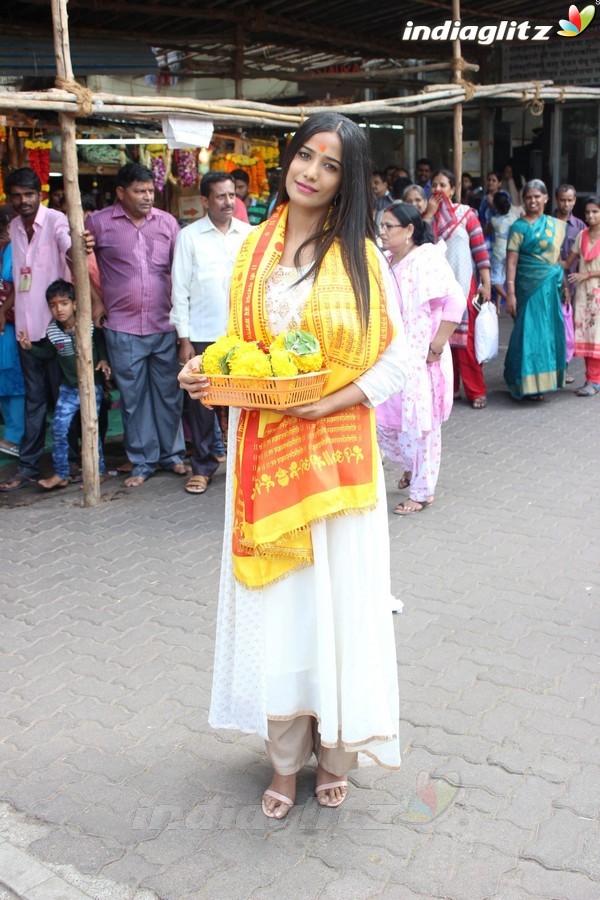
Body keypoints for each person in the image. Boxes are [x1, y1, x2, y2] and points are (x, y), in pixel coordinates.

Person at [179, 111, 408, 820]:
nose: (309, 171)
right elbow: (238, 348)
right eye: (304, 155)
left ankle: (335, 752)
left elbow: (396, 358)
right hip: (263, 447)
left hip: (336, 458)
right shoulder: (253, 247)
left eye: (330, 164)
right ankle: (284, 760)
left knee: (337, 602)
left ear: (349, 180)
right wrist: (204, 372)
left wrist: (327, 402)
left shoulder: (362, 257)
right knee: (282, 608)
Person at [86, 162, 188, 487]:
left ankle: (172, 456)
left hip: (164, 323)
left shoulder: (168, 223)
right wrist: (96, 300)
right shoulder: (99, 223)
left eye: (149, 190)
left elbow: (181, 270)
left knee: (169, 393)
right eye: (139, 190)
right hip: (123, 326)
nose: (147, 196)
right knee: (133, 398)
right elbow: (74, 260)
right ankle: (142, 461)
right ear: (121, 192)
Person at [375, 203, 465, 514]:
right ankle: (411, 466)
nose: (382, 232)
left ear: (410, 230)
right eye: (381, 225)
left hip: (422, 353)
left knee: (421, 422)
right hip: (391, 353)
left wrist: (437, 346)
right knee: (385, 418)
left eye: (389, 227)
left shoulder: (427, 259)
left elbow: (455, 300)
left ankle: (423, 491)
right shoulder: (385, 260)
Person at [170, 171, 252, 494]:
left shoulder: (249, 234)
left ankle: (243, 466)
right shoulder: (189, 237)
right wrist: (185, 339)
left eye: (232, 195)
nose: (229, 201)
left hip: (241, 334)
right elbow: (180, 290)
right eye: (221, 196)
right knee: (202, 403)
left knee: (244, 403)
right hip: (204, 332)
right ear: (205, 201)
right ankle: (203, 467)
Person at [0, 167, 72, 492]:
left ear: (39, 194)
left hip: (56, 329)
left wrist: (78, 246)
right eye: (16, 196)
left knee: (62, 400)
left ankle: (67, 464)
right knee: (35, 401)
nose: (22, 201)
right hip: (27, 332)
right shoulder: (14, 227)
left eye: (28, 195)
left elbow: (70, 250)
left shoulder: (56, 220)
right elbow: (18, 278)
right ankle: (29, 467)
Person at [17, 279, 110, 490]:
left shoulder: (88, 324)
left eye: (64, 303)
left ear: (75, 304)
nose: (59, 309)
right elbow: (49, 353)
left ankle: (99, 472)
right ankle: (61, 473)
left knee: (91, 431)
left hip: (90, 387)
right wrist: (30, 348)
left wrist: (103, 360)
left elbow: (101, 344)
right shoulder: (53, 331)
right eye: (53, 305)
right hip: (68, 389)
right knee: (58, 429)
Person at [427, 169, 491, 409]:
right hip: (437, 289)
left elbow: (480, 250)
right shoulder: (427, 218)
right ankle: (449, 390)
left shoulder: (466, 215)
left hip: (465, 287)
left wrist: (486, 284)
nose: (438, 189)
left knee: (467, 343)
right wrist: (428, 215)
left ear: (453, 189)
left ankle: (476, 391)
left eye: (443, 184)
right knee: (443, 340)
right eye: (434, 185)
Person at [504, 179, 566, 400]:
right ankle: (523, 382)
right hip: (527, 287)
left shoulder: (555, 225)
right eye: (528, 197)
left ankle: (544, 382)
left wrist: (564, 285)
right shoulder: (519, 227)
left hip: (550, 287)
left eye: (537, 196)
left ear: (546, 198)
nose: (532, 201)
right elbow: (511, 262)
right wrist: (510, 293)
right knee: (528, 333)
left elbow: (557, 258)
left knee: (547, 333)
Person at [563, 196, 600, 396]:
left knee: (596, 337)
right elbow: (567, 263)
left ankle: (594, 380)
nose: (590, 215)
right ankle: (591, 378)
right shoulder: (582, 235)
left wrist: (587, 274)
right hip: (583, 295)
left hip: (597, 293)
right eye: (587, 212)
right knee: (586, 336)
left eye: (595, 211)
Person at [554, 184, 585, 384]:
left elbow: (584, 257)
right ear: (556, 200)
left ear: (574, 201)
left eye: (570, 200)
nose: (566, 204)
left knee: (567, 329)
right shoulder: (547, 222)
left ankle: (563, 369)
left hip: (572, 285)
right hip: (550, 282)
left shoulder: (580, 226)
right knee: (552, 327)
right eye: (563, 199)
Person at [0, 208, 25, 457]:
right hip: (6, 322)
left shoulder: (13, 248)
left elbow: (19, 282)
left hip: (12, 322)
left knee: (11, 376)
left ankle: (15, 435)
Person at [489, 192, 517, 310]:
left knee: (495, 280)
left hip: (498, 252)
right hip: (511, 251)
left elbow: (487, 232)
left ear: (495, 205)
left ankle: (508, 298)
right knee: (505, 277)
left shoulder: (493, 220)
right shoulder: (514, 218)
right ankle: (499, 306)